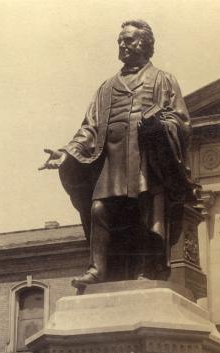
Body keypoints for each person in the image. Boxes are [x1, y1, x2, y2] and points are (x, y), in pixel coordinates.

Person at [40, 19, 194, 286]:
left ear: (144, 44)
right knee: (99, 209)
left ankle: (147, 267)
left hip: (145, 162)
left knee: (144, 209)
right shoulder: (106, 87)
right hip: (112, 163)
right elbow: (90, 127)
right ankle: (97, 269)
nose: (122, 45)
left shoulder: (163, 80)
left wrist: (158, 126)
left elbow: (180, 121)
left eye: (128, 40)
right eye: (120, 41)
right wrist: (68, 152)